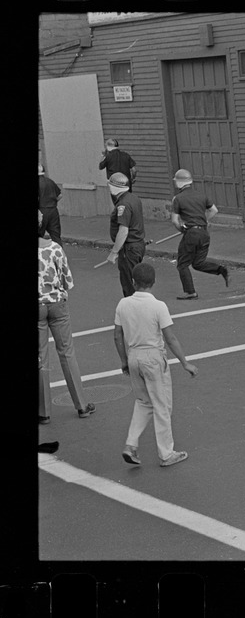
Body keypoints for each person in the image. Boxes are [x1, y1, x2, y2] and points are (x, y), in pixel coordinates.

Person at [114, 262, 197, 467]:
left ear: (133, 282)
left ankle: (131, 444)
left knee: (143, 402)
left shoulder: (123, 304)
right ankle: (166, 453)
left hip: (133, 356)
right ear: (153, 283)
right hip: (153, 357)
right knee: (162, 405)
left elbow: (117, 334)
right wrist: (185, 362)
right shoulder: (158, 306)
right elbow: (170, 339)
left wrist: (124, 360)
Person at [39, 210, 95, 424]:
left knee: (40, 357)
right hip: (57, 303)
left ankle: (44, 412)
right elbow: (67, 280)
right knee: (66, 352)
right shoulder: (54, 248)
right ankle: (81, 405)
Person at [170, 168, 230, 300]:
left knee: (182, 264)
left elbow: (174, 221)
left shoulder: (177, 199)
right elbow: (214, 210)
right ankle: (220, 269)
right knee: (198, 263)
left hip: (191, 234)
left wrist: (183, 229)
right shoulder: (201, 195)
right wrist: (203, 221)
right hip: (203, 233)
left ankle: (190, 292)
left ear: (179, 183)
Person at [106, 173, 146, 296]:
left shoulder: (123, 205)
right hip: (138, 244)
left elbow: (123, 231)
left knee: (129, 282)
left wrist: (113, 252)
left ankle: (134, 310)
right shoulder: (134, 198)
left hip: (129, 248)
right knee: (136, 279)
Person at [38, 163, 63, 244]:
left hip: (41, 211)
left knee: (39, 236)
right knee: (56, 236)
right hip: (53, 210)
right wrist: (53, 202)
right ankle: (59, 254)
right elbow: (59, 195)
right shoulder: (50, 181)